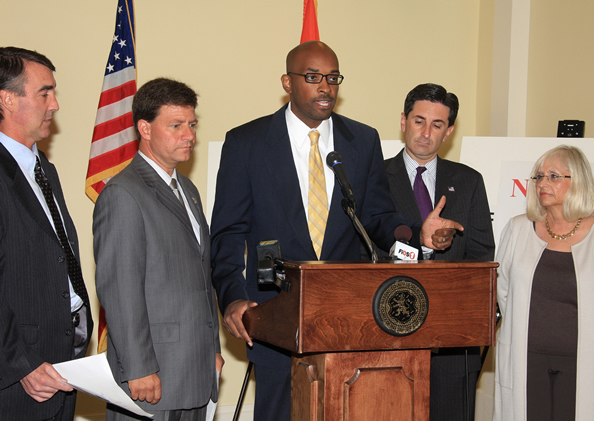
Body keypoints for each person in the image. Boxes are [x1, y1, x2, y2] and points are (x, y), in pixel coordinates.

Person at [210, 41, 463, 421]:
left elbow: (375, 218)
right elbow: (228, 233)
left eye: (333, 78)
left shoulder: (361, 141)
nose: (325, 87)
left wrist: (417, 231)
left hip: (345, 319)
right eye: (313, 77)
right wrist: (231, 299)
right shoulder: (247, 143)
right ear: (288, 82)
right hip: (276, 316)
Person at [93, 78, 223, 421]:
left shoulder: (188, 189)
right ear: (145, 129)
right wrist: (138, 367)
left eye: (192, 124)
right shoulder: (123, 194)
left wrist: (212, 349)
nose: (189, 135)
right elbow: (120, 290)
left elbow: (199, 275)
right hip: (152, 378)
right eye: (176, 125)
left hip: (195, 372)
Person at [382, 83, 494, 420]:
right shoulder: (373, 180)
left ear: (450, 131)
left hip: (450, 343)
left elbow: (480, 258)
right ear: (403, 121)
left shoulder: (469, 181)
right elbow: (361, 251)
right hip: (387, 336)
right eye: (419, 121)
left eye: (437, 124)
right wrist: (420, 243)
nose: (426, 133)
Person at [0, 46, 93, 419]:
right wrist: (21, 363)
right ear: (6, 99)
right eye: (45, 93)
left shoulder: (43, 168)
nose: (55, 105)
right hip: (20, 373)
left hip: (62, 358)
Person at [495, 145, 594, 420]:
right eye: (538, 177)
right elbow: (503, 291)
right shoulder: (518, 229)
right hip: (526, 356)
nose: (543, 183)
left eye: (553, 176)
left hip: (583, 361)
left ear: (579, 181)